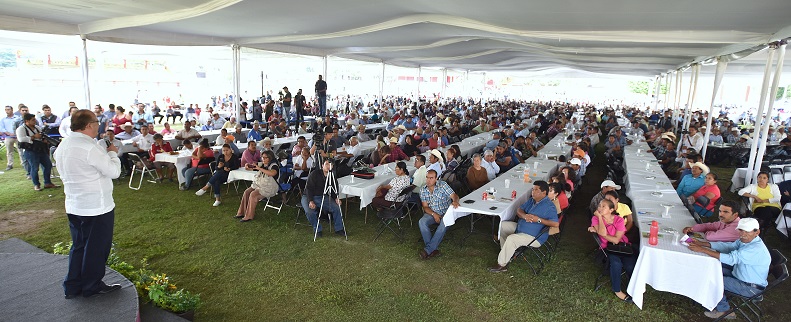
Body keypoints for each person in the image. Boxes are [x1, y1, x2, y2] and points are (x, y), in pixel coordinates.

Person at [54, 109, 123, 299]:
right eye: (96, 122)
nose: (99, 125)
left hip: (75, 204)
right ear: (89, 125)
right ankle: (91, 285)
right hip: (96, 206)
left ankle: (72, 285)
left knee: (79, 246)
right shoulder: (89, 147)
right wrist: (112, 154)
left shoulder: (64, 144)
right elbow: (113, 171)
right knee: (96, 248)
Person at [687, 218, 770, 320]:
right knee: (711, 269)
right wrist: (703, 244)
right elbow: (729, 246)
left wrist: (703, 250)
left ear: (757, 232)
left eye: (747, 231)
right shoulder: (747, 241)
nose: (742, 234)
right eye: (740, 230)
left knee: (713, 279)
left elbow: (731, 259)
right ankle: (707, 297)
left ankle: (724, 310)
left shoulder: (754, 249)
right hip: (740, 275)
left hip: (750, 287)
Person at [489, 181, 559, 272]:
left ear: (544, 192)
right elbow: (519, 210)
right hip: (521, 228)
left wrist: (538, 220)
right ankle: (507, 252)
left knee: (512, 238)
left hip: (534, 236)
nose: (532, 192)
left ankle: (502, 265)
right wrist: (524, 216)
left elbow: (555, 224)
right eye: (532, 189)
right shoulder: (532, 200)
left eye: (535, 190)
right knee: (503, 225)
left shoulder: (549, 206)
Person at [588, 199, 636, 302]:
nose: (599, 208)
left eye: (603, 206)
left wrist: (601, 233)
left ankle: (633, 288)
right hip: (607, 248)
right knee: (616, 263)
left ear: (611, 210)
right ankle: (617, 290)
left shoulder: (619, 220)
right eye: (599, 206)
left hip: (623, 246)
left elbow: (616, 239)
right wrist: (600, 217)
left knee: (630, 265)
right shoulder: (596, 219)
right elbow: (602, 233)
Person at [418, 169, 460, 259]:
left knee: (443, 224)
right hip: (432, 212)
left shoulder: (443, 185)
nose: (428, 180)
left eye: (431, 178)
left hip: (446, 213)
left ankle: (428, 250)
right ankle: (433, 249)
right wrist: (434, 214)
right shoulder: (423, 190)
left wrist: (455, 201)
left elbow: (454, 196)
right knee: (422, 222)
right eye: (427, 178)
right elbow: (425, 207)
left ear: (436, 179)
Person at [301, 158, 346, 237]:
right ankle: (317, 229)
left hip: (321, 197)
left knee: (336, 207)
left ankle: (339, 228)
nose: (329, 166)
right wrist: (310, 201)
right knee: (309, 211)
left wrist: (336, 198)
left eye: (331, 165)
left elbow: (334, 189)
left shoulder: (332, 176)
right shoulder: (315, 174)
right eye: (327, 164)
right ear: (322, 166)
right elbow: (309, 188)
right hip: (308, 196)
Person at [17, 113, 58, 190]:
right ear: (27, 121)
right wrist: (33, 137)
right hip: (30, 150)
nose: (34, 121)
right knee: (34, 168)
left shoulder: (37, 128)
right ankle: (36, 184)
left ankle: (47, 182)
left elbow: (41, 136)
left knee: (48, 165)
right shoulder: (21, 129)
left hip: (41, 149)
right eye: (32, 120)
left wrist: (44, 140)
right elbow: (21, 139)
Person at [236, 150, 280, 222]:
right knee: (247, 192)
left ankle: (249, 216)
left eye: (265, 158)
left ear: (270, 158)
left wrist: (259, 168)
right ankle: (241, 212)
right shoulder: (262, 164)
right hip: (260, 185)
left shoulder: (274, 165)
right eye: (262, 157)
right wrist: (247, 165)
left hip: (270, 187)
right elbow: (252, 165)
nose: (263, 159)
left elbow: (272, 173)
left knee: (253, 195)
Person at [2, 105, 23, 171]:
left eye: (8, 109)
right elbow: (2, 128)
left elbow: (20, 126)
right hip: (8, 137)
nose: (7, 111)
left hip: (17, 136)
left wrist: (17, 133)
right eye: (6, 110)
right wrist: (8, 133)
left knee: (20, 150)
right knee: (9, 151)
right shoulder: (3, 119)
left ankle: (23, 163)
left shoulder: (17, 118)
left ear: (12, 110)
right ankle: (10, 164)